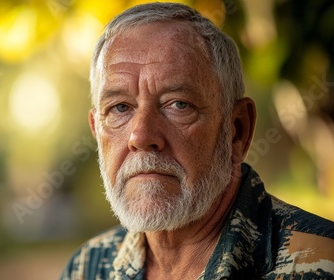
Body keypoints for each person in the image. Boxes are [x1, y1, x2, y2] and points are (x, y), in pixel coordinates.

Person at [59, 2, 334, 279]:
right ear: (97, 130)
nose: (141, 137)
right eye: (120, 108)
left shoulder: (322, 262)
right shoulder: (87, 267)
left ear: (237, 130)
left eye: (178, 104)